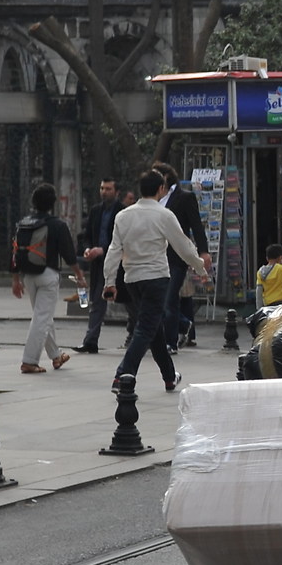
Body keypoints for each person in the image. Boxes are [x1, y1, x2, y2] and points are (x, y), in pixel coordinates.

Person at [103, 170, 208, 395]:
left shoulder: (124, 215)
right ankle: (123, 374)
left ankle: (169, 377)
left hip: (132, 279)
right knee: (146, 328)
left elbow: (114, 250)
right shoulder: (164, 215)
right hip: (156, 277)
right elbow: (183, 245)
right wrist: (200, 266)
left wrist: (109, 281)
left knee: (153, 328)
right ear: (161, 189)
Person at [9, 181, 76, 375]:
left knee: (43, 315)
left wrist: (15, 280)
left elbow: (14, 252)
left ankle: (56, 355)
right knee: (41, 317)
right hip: (48, 275)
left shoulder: (24, 224)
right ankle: (29, 361)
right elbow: (69, 254)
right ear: (53, 203)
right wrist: (79, 275)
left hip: (28, 276)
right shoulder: (57, 225)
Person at [154, 164, 208, 349]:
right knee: (165, 301)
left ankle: (170, 342)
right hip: (156, 256)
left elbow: (196, 225)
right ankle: (183, 324)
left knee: (168, 300)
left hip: (176, 257)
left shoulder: (184, 197)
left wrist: (203, 251)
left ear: (167, 176)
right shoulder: (154, 199)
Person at [75, 179, 120, 353]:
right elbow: (86, 236)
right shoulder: (95, 211)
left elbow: (122, 240)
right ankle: (91, 340)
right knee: (97, 301)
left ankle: (140, 335)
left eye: (108, 189)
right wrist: (87, 249)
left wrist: (102, 250)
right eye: (102, 188)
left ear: (116, 192)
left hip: (117, 262)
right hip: (98, 264)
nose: (104, 192)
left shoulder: (122, 212)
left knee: (131, 303)